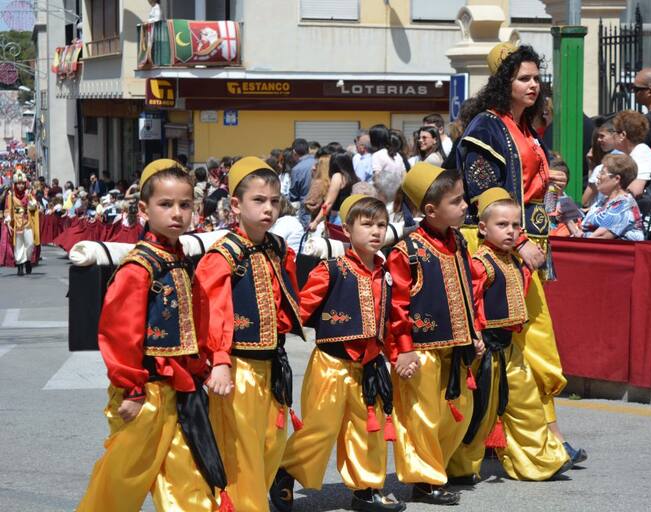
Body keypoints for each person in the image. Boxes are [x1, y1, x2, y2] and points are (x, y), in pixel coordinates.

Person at [77, 159, 232, 512]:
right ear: (145, 210)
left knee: (189, 481)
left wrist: (204, 366)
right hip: (145, 392)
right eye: (166, 204)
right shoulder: (138, 267)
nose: (177, 213)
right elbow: (120, 334)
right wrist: (131, 389)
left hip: (182, 389)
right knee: (121, 481)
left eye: (185, 204)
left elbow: (197, 320)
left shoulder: (180, 260)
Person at [458, 41, 586, 464]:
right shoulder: (486, 127)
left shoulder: (528, 128)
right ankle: (506, 438)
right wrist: (519, 241)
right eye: (523, 78)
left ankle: (543, 438)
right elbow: (482, 192)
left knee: (532, 342)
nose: (533, 85)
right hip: (498, 251)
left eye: (536, 78)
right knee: (517, 342)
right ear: (504, 83)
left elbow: (534, 190)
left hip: (527, 244)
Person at [272, 195, 405, 512]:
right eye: (367, 224)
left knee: (369, 429)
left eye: (381, 225)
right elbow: (300, 310)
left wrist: (399, 353)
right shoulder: (330, 269)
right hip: (331, 365)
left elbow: (391, 320)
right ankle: (286, 471)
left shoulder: (385, 272)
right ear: (346, 230)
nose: (376, 231)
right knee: (320, 427)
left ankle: (366, 490)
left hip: (369, 367)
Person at [194, 157, 305, 512]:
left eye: (274, 201)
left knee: (272, 443)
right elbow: (214, 312)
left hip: (272, 366)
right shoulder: (223, 255)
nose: (268, 208)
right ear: (236, 205)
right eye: (258, 200)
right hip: (238, 367)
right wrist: (219, 361)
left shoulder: (278, 248)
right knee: (241, 453)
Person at [447, 188, 571, 484]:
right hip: (484, 353)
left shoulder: (515, 262)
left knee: (527, 405)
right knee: (480, 413)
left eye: (516, 225)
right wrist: (475, 337)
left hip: (509, 350)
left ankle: (541, 461)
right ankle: (461, 467)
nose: (510, 231)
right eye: (502, 225)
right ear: (482, 228)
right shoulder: (480, 264)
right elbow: (470, 304)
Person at [387, 163, 485, 506]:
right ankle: (425, 480)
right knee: (422, 416)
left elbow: (469, 289)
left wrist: (474, 331)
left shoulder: (458, 241)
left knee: (459, 411)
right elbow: (397, 306)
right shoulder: (407, 251)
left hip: (457, 348)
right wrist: (404, 349)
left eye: (462, 199)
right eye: (456, 201)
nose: (464, 206)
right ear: (431, 211)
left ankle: (436, 467)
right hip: (421, 351)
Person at [568, 154, 644, 241]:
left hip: (612, 249)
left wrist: (571, 225)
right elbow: (584, 225)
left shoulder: (623, 204)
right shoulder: (604, 200)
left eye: (602, 173)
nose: (598, 176)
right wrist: (567, 216)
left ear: (617, 179)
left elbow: (600, 237)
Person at [612, 110, 651, 199]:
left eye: (614, 132)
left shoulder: (641, 153)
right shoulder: (636, 152)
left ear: (622, 135)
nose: (612, 135)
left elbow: (636, 190)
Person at [308, 152, 360, 230]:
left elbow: (328, 203)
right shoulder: (355, 178)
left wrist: (316, 221)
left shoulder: (338, 176)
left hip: (337, 218)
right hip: (350, 218)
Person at [4, 169, 39, 275]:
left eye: (22, 183)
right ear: (15, 184)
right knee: (18, 245)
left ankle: (28, 260)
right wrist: (8, 218)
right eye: (18, 184)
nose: (20, 186)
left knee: (30, 244)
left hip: (27, 223)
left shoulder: (28, 195)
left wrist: (32, 203)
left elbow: (34, 207)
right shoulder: (11, 196)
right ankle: (20, 265)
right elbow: (7, 209)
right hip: (17, 224)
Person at [582, 119, 623, 207]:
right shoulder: (627, 158)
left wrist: (591, 169)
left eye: (602, 136)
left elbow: (585, 201)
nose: (598, 140)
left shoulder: (602, 168)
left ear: (615, 135)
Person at [289, 138, 315, 226]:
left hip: (306, 209)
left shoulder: (296, 169)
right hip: (322, 209)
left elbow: (294, 195)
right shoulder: (319, 162)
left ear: (294, 152)